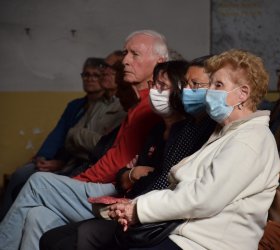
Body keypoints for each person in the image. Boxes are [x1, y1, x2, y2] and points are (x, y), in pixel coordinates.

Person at [0, 29, 166, 250]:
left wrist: (77, 181)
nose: (125, 61)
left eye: (135, 54)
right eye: (125, 53)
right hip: (96, 183)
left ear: (160, 61)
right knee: (37, 216)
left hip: (111, 191)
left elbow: (117, 166)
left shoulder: (152, 106)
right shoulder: (137, 105)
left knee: (38, 182)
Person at [106, 49, 280, 250]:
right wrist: (134, 205)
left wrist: (139, 208)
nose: (210, 92)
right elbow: (186, 183)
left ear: (242, 94)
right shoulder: (226, 132)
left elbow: (203, 199)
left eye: (218, 85)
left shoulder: (251, 140)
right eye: (212, 83)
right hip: (185, 235)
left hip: (207, 245)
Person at [39, 57, 218, 250]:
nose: (187, 91)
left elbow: (166, 179)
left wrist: (133, 200)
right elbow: (124, 172)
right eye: (185, 84)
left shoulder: (204, 129)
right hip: (133, 200)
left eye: (194, 85)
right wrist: (131, 175)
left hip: (157, 213)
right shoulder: (163, 129)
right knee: (47, 230)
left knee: (38, 184)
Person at [0, 57, 105, 221]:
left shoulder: (107, 107)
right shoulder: (75, 105)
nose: (90, 79)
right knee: (20, 174)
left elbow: (89, 146)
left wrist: (61, 163)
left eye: (96, 75)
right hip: (58, 158)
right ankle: (4, 222)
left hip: (75, 164)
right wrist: (42, 157)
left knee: (25, 179)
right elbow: (58, 134)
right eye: (86, 74)